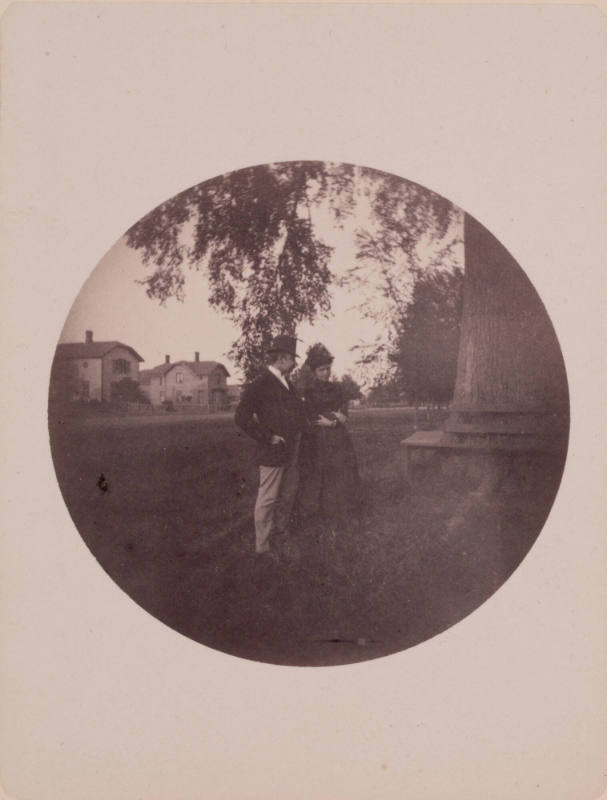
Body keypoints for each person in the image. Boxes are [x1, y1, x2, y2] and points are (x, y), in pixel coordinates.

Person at [235, 335, 308, 556]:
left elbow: (296, 411)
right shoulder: (260, 384)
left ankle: (279, 532)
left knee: (285, 494)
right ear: (282, 358)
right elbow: (241, 416)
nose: (295, 363)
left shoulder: (287, 383)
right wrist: (267, 437)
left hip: (290, 448)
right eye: (292, 359)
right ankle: (262, 547)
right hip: (272, 451)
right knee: (267, 498)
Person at [300, 343, 362, 534]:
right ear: (314, 371)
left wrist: (333, 420)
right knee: (322, 475)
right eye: (321, 370)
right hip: (318, 439)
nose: (325, 373)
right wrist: (326, 419)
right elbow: (309, 416)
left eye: (328, 369)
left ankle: (347, 513)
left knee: (344, 471)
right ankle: (324, 514)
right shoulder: (308, 392)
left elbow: (343, 413)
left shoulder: (337, 388)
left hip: (338, 437)